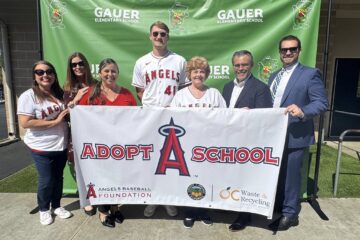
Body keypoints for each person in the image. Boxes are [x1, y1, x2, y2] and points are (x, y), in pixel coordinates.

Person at [268, 35, 328, 231]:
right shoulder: (273, 75)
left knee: (291, 176)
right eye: (284, 50)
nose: (288, 53)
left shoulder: (310, 74)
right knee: (277, 174)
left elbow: (321, 103)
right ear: (279, 53)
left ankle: (291, 214)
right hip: (274, 135)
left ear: (299, 51)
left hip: (296, 134)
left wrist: (303, 111)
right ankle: (279, 206)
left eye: (292, 49)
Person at [132, 21, 188, 218]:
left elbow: (184, 88)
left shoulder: (179, 60)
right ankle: (153, 199)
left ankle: (169, 198)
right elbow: (139, 89)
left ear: (168, 37)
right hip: (150, 116)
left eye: (163, 34)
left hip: (174, 116)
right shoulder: (141, 62)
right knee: (152, 159)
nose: (159, 37)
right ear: (150, 36)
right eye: (155, 33)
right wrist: (151, 106)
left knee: (171, 159)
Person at [78, 58, 137, 228]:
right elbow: (79, 116)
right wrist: (73, 103)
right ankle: (103, 211)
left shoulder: (126, 93)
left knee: (118, 177)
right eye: (106, 71)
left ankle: (114, 206)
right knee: (102, 178)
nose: (110, 74)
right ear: (100, 73)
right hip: (99, 147)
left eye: (113, 71)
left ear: (118, 73)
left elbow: (135, 119)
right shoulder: (90, 93)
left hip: (120, 146)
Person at [171, 56, 224, 228]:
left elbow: (226, 118)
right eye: (195, 71)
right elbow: (172, 120)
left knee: (208, 179)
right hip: (186, 147)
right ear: (189, 74)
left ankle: (204, 211)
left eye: (202, 71)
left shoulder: (214, 94)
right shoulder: (180, 96)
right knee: (188, 179)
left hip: (209, 147)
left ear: (206, 74)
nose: (198, 75)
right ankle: (189, 212)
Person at [222, 50, 272, 232]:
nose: (240, 68)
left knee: (245, 179)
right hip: (229, 141)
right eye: (237, 65)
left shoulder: (261, 88)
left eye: (244, 64)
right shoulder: (227, 87)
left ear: (251, 65)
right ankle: (232, 206)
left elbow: (265, 119)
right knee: (231, 177)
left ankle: (244, 215)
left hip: (248, 142)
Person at [17, 60, 72, 225]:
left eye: (49, 71)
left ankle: (56, 206)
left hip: (60, 144)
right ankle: (43, 209)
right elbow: (25, 122)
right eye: (40, 72)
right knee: (46, 179)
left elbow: (66, 115)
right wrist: (54, 122)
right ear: (34, 77)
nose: (45, 75)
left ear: (54, 75)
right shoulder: (29, 96)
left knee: (58, 178)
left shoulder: (59, 93)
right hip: (41, 147)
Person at [63, 52, 96, 216]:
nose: (77, 67)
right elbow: (65, 115)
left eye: (80, 63)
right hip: (76, 135)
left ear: (86, 65)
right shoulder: (68, 89)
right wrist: (75, 100)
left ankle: (100, 195)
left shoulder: (97, 85)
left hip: (97, 135)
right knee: (79, 167)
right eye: (74, 65)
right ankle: (87, 200)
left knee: (97, 166)